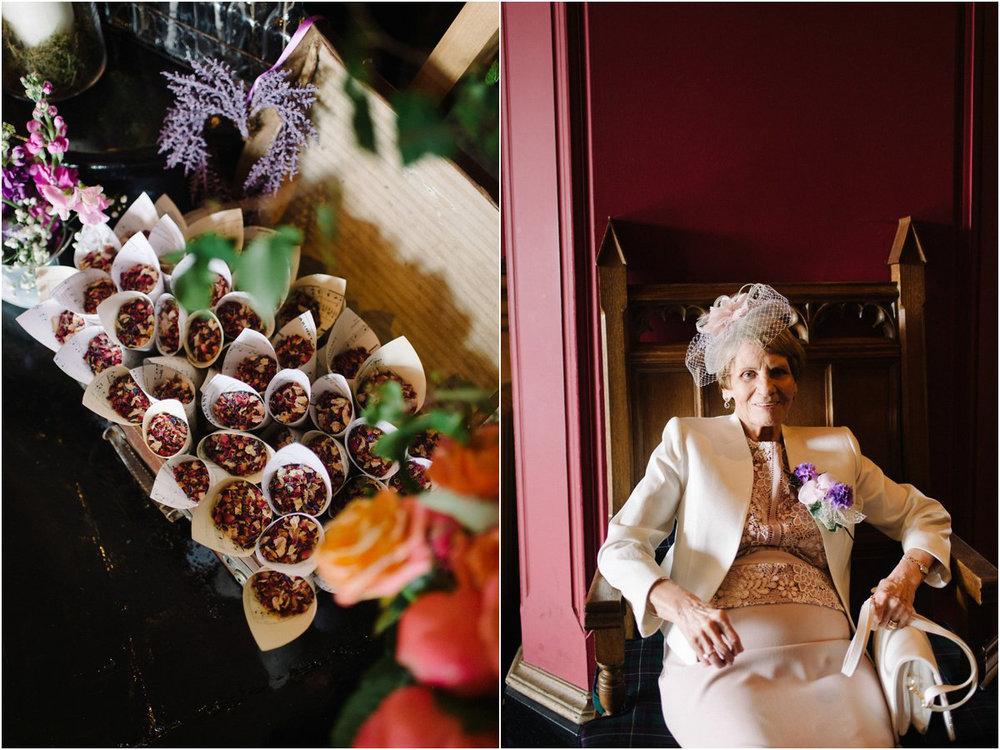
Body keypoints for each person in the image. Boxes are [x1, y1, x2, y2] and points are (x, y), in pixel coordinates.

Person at [597, 283, 952, 747]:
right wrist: (681, 607)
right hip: (719, 654)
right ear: (726, 386)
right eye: (748, 374)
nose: (766, 387)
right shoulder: (688, 442)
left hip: (831, 656)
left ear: (795, 382)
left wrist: (904, 579)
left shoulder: (839, 449)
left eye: (778, 372)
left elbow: (923, 514)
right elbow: (620, 544)